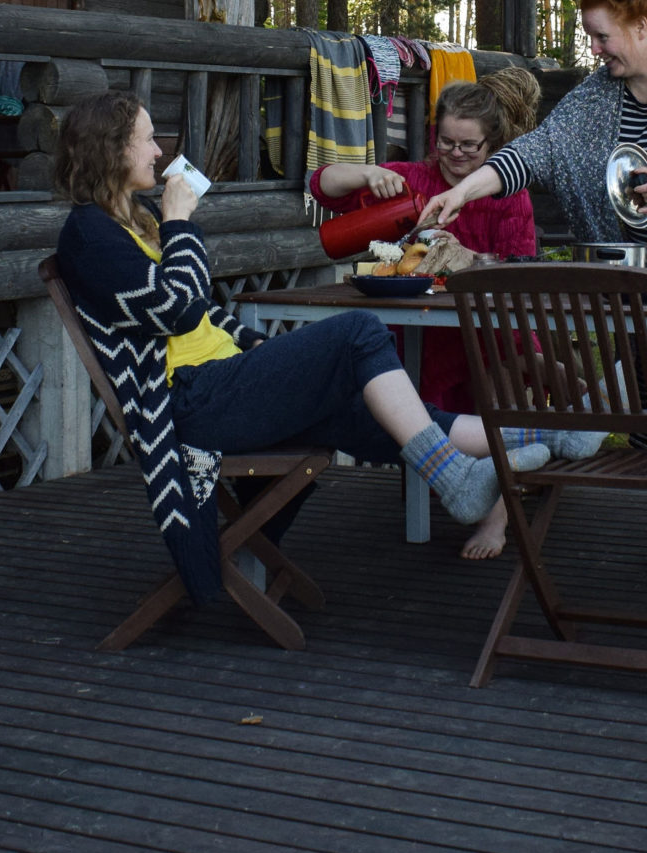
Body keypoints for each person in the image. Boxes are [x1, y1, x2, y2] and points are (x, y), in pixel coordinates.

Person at [52, 91, 599, 601]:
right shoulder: (90, 234)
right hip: (190, 401)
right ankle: (453, 474)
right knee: (358, 331)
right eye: (147, 139)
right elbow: (180, 307)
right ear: (112, 151)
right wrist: (178, 223)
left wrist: (169, 226)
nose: (159, 150)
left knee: (367, 409)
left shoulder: (133, 222)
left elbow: (184, 304)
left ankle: (550, 431)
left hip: (223, 380)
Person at [416, 0, 647, 577]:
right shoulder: (596, 96)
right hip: (642, 276)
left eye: (603, 36)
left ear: (641, 26)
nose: (597, 49)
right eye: (591, 37)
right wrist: (462, 192)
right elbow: (537, 151)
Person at [315, 69, 592, 559]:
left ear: (494, 144)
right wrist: (365, 174)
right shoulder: (412, 180)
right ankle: (540, 427)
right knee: (418, 390)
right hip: (425, 329)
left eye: (471, 146)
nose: (458, 155)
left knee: (505, 376)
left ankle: (498, 518)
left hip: (490, 326)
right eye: (447, 143)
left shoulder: (508, 193)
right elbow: (322, 186)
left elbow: (520, 268)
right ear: (433, 137)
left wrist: (464, 254)